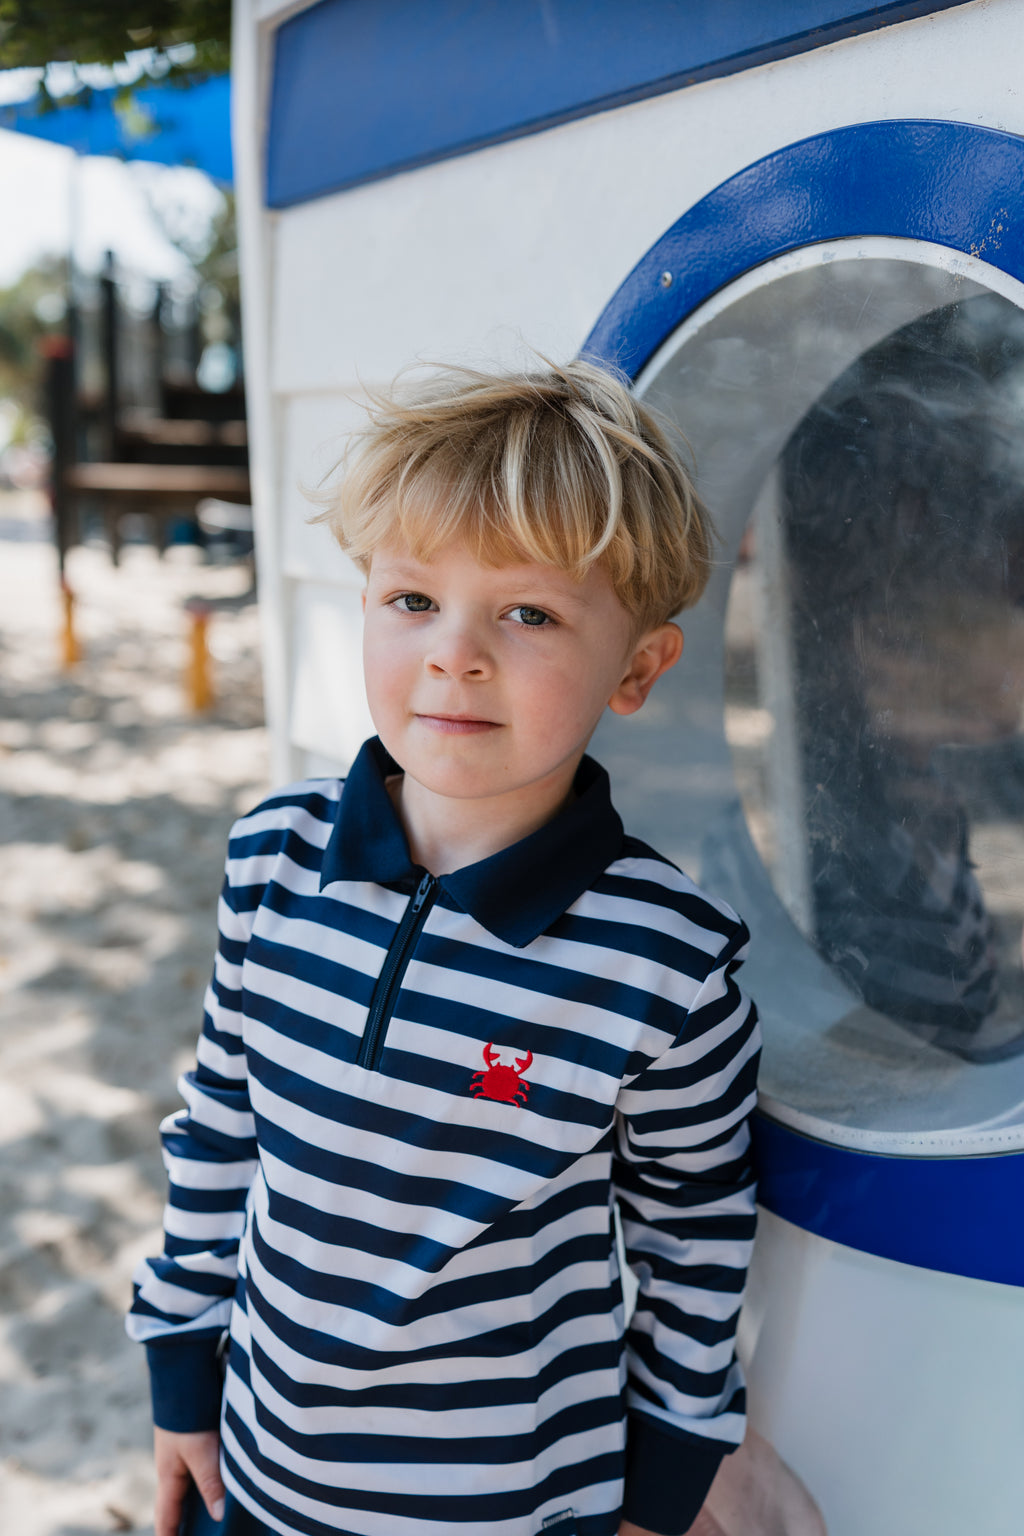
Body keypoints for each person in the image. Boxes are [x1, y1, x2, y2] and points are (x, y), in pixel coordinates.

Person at [127, 359, 761, 1536]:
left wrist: (662, 1497)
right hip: (260, 1481)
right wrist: (180, 1376)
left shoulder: (664, 960)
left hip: (518, 1509)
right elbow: (219, 1126)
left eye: (528, 613)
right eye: (413, 600)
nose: (455, 654)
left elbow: (698, 1240)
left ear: (636, 667)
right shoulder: (273, 859)